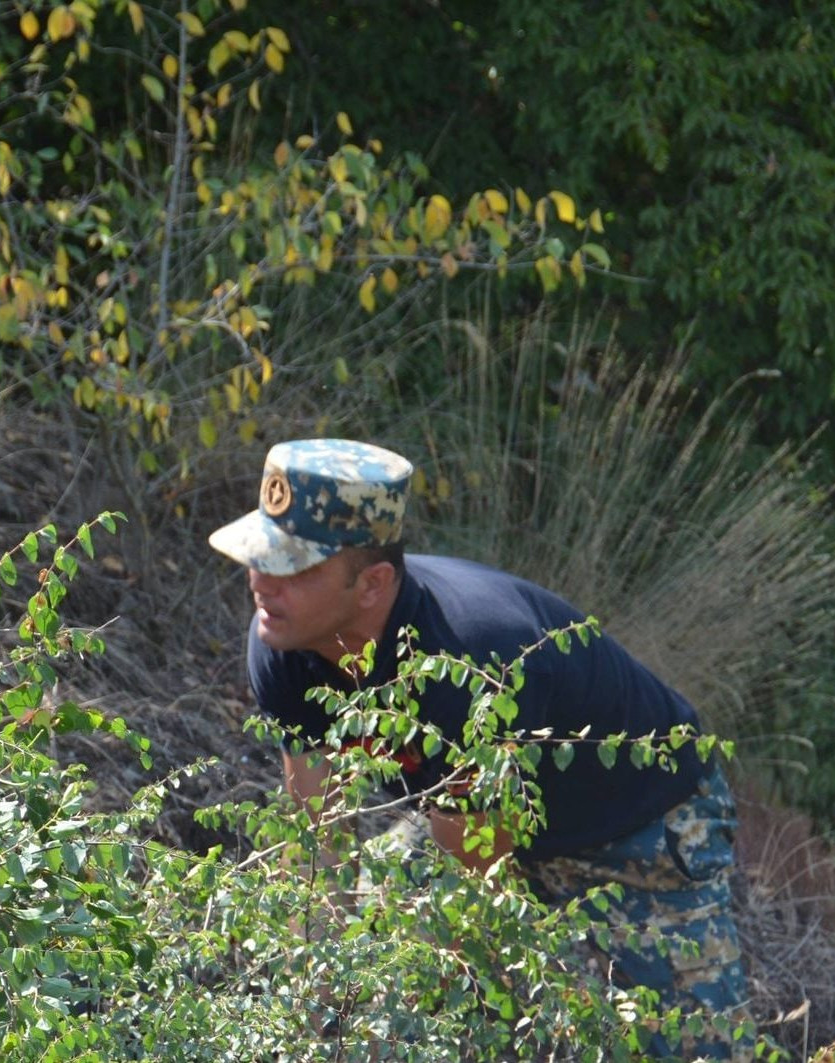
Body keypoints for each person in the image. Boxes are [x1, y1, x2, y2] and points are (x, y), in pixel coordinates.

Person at [209, 438, 750, 1058]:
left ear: (373, 582)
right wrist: (316, 1009)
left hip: (640, 829)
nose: (260, 584)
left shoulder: (470, 664)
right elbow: (317, 842)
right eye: (260, 558)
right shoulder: (285, 641)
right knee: (366, 993)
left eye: (293, 568)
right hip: (477, 824)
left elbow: (466, 903)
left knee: (693, 1050)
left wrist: (411, 1011)